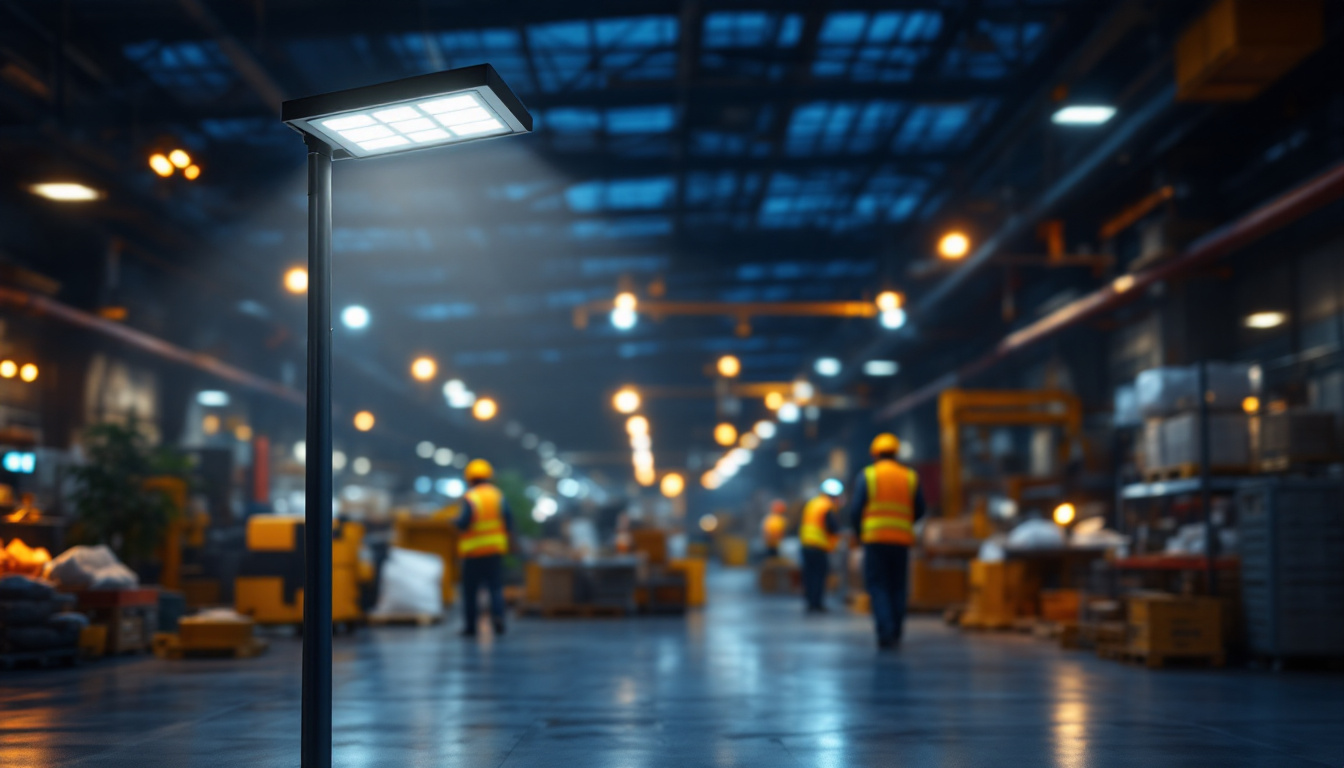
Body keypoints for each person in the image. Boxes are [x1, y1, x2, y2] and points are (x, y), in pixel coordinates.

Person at [847, 434, 925, 649]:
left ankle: (886, 631)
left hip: (875, 540)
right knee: (898, 586)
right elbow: (920, 510)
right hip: (901, 540)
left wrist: (860, 533)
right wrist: (903, 523)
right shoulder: (910, 476)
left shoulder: (868, 475)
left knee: (878, 586)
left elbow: (855, 510)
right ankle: (897, 631)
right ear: (897, 453)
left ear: (874, 454)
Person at [455, 459, 513, 637]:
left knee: (470, 591)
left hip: (473, 552)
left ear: (470, 479)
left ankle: (471, 627)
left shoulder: (471, 497)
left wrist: (454, 522)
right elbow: (508, 521)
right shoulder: (498, 495)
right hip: (494, 550)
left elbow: (464, 523)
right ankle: (499, 619)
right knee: (495, 587)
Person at [799, 481, 842, 613]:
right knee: (819, 576)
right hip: (818, 546)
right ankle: (817, 604)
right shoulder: (826, 506)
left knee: (809, 575)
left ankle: (810, 603)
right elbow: (832, 527)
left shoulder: (812, 503)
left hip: (806, 544)